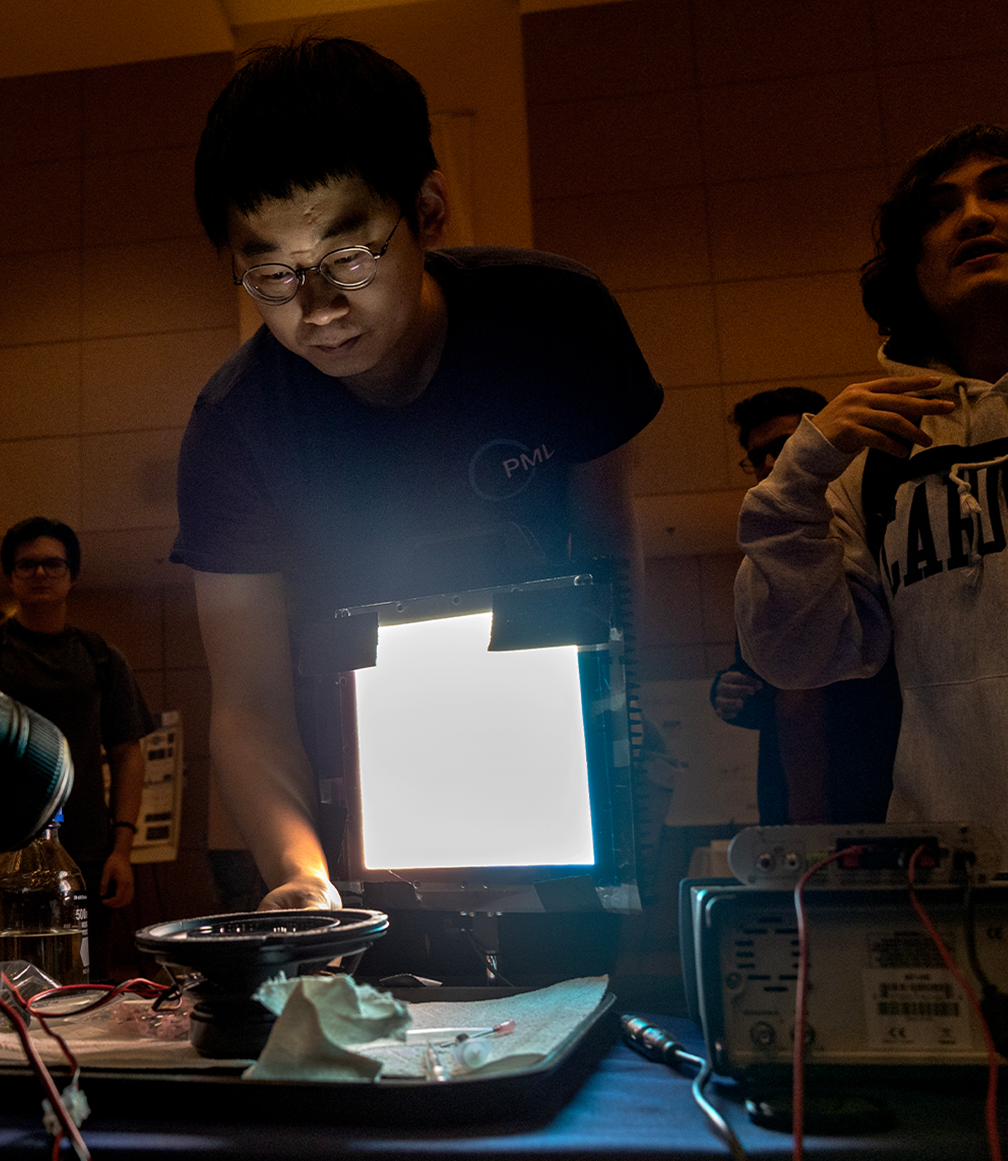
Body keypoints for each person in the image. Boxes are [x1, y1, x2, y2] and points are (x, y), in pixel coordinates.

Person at [170, 38, 663, 911]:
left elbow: (609, 568)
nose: (318, 310)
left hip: (555, 781)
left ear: (428, 209)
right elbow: (248, 700)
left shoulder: (554, 321)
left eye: (348, 257)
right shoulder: (237, 426)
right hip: (362, 809)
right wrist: (299, 875)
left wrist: (621, 750)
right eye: (272, 275)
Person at [734, 124, 1008, 906]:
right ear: (913, 266)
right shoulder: (877, 462)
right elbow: (798, 659)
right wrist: (795, 480)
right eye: (942, 209)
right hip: (966, 924)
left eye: (1003, 192)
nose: (974, 216)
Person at [0, 517, 158, 979]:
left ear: (72, 575)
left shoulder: (100, 656)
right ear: (11, 575)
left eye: (52, 564)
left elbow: (128, 752)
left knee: (85, 981)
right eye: (27, 565)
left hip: (84, 849)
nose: (40, 574)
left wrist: (121, 850)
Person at [711, 388, 901, 825]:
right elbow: (777, 686)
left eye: (785, 446)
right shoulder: (763, 570)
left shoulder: (884, 534)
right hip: (790, 806)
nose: (769, 464)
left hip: (880, 790)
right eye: (756, 455)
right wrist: (729, 692)